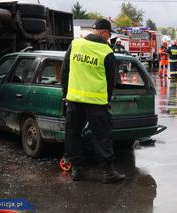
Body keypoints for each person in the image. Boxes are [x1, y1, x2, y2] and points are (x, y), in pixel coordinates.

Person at [61, 19, 125, 184]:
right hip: (97, 103)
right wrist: (106, 100)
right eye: (109, 35)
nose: (108, 38)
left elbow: (64, 71)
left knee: (73, 133)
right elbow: (111, 81)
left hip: (74, 100)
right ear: (104, 33)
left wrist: (65, 94)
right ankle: (108, 172)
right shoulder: (106, 51)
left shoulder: (75, 45)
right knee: (102, 136)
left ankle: (76, 170)